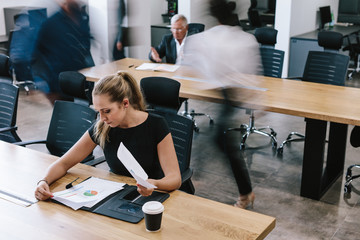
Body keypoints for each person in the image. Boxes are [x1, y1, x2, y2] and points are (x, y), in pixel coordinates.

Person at [35, 71, 182, 201]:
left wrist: (154, 184)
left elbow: (175, 178)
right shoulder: (102, 127)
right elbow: (63, 163)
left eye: (106, 111)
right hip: (117, 196)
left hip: (152, 198)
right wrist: (44, 181)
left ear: (125, 103)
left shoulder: (156, 125)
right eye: (98, 111)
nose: (102, 117)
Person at [183, 0, 262, 209]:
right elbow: (252, 71)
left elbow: (193, 62)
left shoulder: (207, 39)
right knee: (221, 140)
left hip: (229, 94)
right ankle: (244, 191)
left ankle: (245, 192)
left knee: (221, 140)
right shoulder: (245, 38)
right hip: (234, 93)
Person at [32, 0, 94, 104]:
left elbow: (85, 46)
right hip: (60, 85)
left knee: (84, 114)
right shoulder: (51, 24)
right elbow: (37, 55)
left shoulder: (83, 18)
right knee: (65, 115)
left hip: (82, 80)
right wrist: (45, 85)